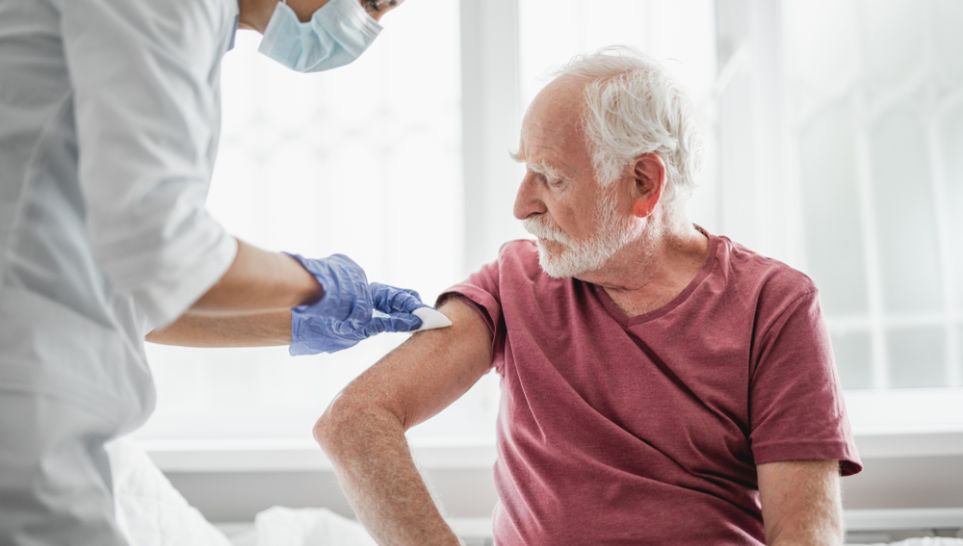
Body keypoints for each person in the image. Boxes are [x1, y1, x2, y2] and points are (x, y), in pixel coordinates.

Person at [315, 47, 863, 545]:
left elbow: (805, 538)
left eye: (550, 178)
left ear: (644, 183)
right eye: (525, 171)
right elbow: (355, 421)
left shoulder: (775, 304)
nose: (522, 205)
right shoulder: (513, 283)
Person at [0, 0, 427, 544]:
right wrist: (316, 286)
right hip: (24, 392)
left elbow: (134, 296)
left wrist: (298, 318)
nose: (366, 26)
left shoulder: (195, 28)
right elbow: (161, 249)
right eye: (369, 3)